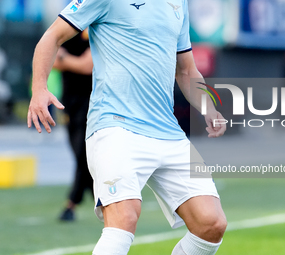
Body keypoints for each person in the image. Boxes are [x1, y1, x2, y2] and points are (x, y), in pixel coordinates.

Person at [27, 0, 227, 254]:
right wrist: (39, 89)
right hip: (115, 127)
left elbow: (186, 70)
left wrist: (208, 107)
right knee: (124, 221)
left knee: (211, 225)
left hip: (168, 131)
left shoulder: (179, 3)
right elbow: (52, 35)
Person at [52, 29, 94, 221]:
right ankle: (99, 196)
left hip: (92, 104)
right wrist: (69, 61)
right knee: (79, 154)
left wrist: (65, 59)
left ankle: (72, 203)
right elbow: (52, 61)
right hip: (69, 104)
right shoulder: (68, 32)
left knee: (82, 153)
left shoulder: (97, 31)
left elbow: (88, 66)